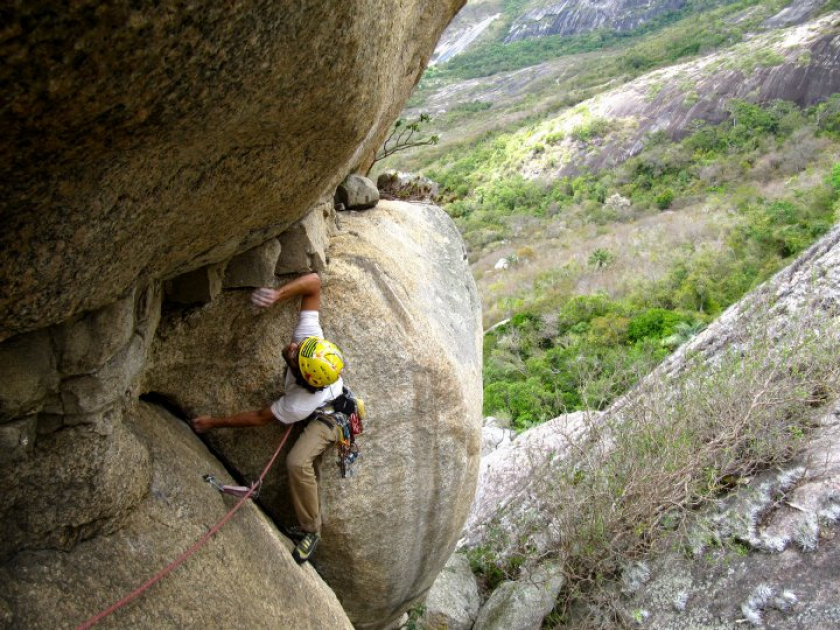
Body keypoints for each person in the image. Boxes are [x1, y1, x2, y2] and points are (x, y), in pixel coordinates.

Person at [191, 272, 344, 563]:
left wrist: (213, 423)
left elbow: (260, 418)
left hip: (330, 417)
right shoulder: (310, 345)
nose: (293, 347)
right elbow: (313, 283)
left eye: (296, 356)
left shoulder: (300, 402)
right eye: (298, 348)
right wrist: (276, 295)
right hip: (321, 399)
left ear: (303, 376)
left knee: (298, 462)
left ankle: (311, 530)